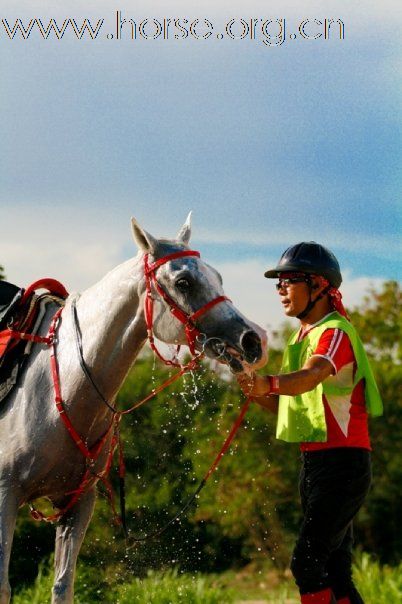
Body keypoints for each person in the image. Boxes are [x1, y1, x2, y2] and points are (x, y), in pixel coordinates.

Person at [236, 242, 383, 604]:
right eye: (278, 283)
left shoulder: (334, 332)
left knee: (306, 564)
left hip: (343, 465)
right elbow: (287, 404)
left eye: (290, 280)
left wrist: (268, 382)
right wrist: (250, 384)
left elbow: (312, 376)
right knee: (334, 570)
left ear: (318, 285)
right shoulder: (302, 338)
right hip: (316, 465)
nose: (281, 289)